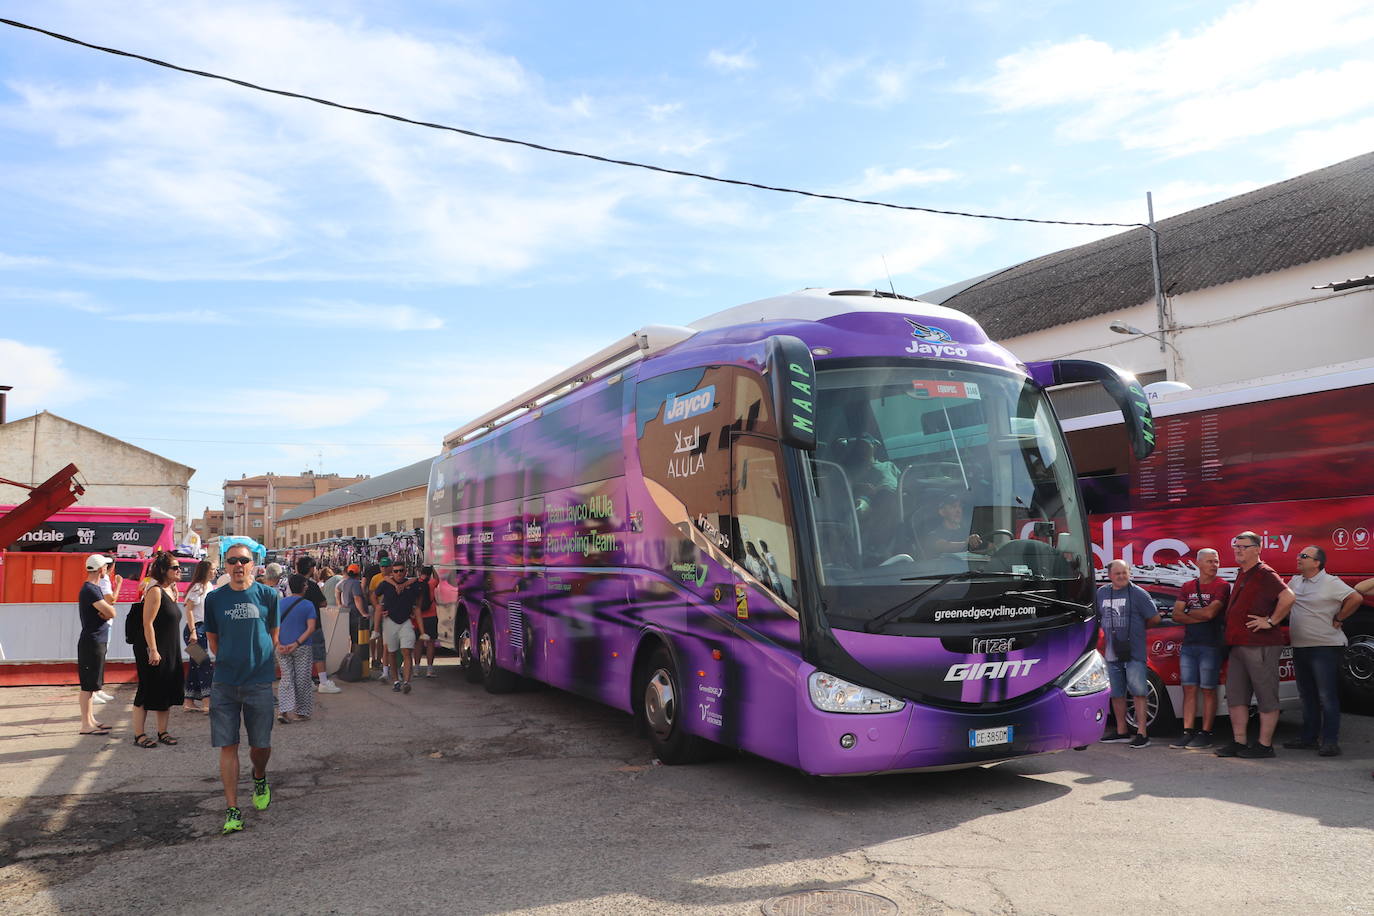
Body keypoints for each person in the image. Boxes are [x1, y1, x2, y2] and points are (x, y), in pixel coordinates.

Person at [204, 539, 279, 835]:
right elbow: (212, 640)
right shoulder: (214, 599)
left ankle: (259, 775)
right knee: (228, 745)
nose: (238, 566)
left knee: (261, 745)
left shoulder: (268, 595)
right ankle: (232, 809)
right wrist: (231, 659)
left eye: (243, 561)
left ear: (253, 564)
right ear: (225, 564)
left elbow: (273, 633)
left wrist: (259, 661)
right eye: (232, 560)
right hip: (225, 683)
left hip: (258, 682)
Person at [1216, 531, 1295, 759]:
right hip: (1239, 644)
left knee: (1266, 696)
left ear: (1258, 549)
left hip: (1260, 645)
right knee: (1236, 696)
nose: (1238, 549)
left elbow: (1288, 597)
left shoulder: (1265, 573)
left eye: (1243, 546)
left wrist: (1270, 621)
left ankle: (1264, 745)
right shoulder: (1243, 572)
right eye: (1236, 545)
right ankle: (1239, 742)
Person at [1283, 546, 1361, 756]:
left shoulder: (1331, 582)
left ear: (1317, 563)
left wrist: (1340, 618)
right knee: (1306, 695)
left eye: (1304, 556)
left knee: (1327, 696)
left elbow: (1356, 598)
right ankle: (1308, 738)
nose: (1298, 558)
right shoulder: (1295, 581)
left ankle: (1330, 741)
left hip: (1325, 647)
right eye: (1299, 555)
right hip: (1300, 646)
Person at [1168, 548, 1230, 748]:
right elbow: (1176, 615)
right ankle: (1187, 731)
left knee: (1208, 689)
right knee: (1189, 689)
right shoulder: (1188, 586)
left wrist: (1190, 613)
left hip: (1211, 645)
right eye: (1210, 561)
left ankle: (1206, 733)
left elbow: (1211, 614)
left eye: (1216, 561)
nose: (1215, 565)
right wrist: (1197, 615)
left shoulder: (1222, 585)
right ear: (1199, 563)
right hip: (1190, 645)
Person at [1096, 559, 1161, 747]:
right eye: (1118, 573)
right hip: (1111, 652)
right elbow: (1098, 618)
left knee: (1139, 692)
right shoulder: (1102, 593)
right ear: (1109, 576)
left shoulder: (1139, 594)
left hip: (1134, 652)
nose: (1122, 576)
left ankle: (1142, 733)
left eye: (1125, 572)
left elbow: (1154, 618)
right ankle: (1121, 731)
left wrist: (1137, 631)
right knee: (1116, 693)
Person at [131, 551, 186, 749]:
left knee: (166, 689)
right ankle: (139, 735)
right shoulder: (154, 591)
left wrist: (174, 591)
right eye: (175, 567)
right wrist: (153, 650)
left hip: (170, 647)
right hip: (154, 647)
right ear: (163, 570)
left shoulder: (170, 590)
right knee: (146, 690)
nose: (179, 570)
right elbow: (148, 623)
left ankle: (163, 731)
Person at [76, 554, 117, 735]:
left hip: (96, 640)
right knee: (88, 685)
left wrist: (107, 613)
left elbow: (108, 612)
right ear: (102, 569)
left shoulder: (93, 588)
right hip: (92, 641)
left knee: (93, 684)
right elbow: (111, 611)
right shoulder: (91, 589)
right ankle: (86, 724)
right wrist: (107, 613)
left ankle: (91, 720)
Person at [373, 562, 422, 694]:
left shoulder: (412, 584)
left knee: (407, 652)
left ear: (406, 571)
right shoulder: (386, 584)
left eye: (401, 570)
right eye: (396, 571)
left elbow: (419, 593)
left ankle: (406, 682)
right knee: (392, 654)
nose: (399, 573)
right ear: (392, 572)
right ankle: (395, 681)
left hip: (406, 622)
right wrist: (379, 607)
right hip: (390, 622)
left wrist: (415, 608)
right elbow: (374, 595)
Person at [294, 556, 340, 694]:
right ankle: (323, 681)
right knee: (318, 653)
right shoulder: (311, 585)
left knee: (303, 654)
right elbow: (323, 603)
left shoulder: (292, 582)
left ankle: (306, 681)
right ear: (311, 568)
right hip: (313, 623)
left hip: (297, 624)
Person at [275, 574, 318, 723]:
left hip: (281, 646)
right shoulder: (308, 605)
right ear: (304, 586)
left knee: (286, 678)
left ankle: (283, 711)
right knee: (302, 679)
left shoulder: (280, 603)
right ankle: (302, 711)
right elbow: (311, 628)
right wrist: (297, 643)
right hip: (302, 646)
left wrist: (278, 643)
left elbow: (273, 626)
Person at [182, 559, 215, 714]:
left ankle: (189, 700)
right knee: (204, 664)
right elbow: (189, 610)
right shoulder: (198, 587)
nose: (215, 572)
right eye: (212, 569)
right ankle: (207, 700)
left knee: (196, 665)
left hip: (202, 630)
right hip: (194, 631)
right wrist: (193, 630)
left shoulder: (208, 587)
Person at [924, 491, 984, 555]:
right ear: (942, 512)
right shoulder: (934, 534)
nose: (958, 511)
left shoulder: (968, 532)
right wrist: (966, 543)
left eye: (960, 506)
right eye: (953, 507)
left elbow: (989, 547)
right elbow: (943, 546)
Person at [414, 566, 439, 678]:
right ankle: (429, 669)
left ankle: (416, 669)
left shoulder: (416, 583)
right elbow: (438, 578)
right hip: (431, 616)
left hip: (418, 618)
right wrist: (433, 568)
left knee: (418, 644)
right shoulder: (432, 583)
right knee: (430, 643)